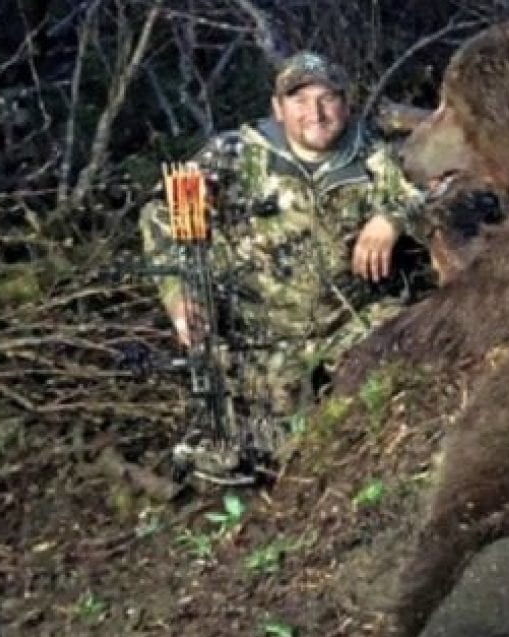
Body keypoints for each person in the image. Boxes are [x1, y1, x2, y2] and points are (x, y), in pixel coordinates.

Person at [139, 51, 429, 479]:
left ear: (345, 104)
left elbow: (438, 191)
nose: (315, 112)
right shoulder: (233, 156)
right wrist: (180, 301)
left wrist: (393, 218)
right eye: (299, 100)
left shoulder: (374, 154)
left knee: (394, 385)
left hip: (349, 325)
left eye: (327, 98)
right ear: (278, 108)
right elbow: (162, 215)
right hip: (261, 342)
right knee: (262, 459)